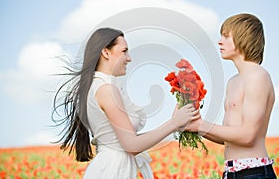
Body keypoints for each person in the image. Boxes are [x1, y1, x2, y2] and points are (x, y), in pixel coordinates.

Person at [52, 27, 199, 179]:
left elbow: (127, 140)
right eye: (124, 51)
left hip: (111, 167)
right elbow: (132, 145)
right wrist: (173, 124)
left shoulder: (99, 86)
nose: (129, 58)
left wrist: (175, 124)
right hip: (113, 170)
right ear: (106, 52)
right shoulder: (106, 89)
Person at [187, 13, 277, 178]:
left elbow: (248, 135)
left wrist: (201, 125)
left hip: (253, 173)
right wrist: (193, 125)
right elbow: (228, 138)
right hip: (232, 173)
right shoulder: (233, 82)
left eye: (226, 36)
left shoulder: (257, 76)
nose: (220, 41)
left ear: (244, 38)